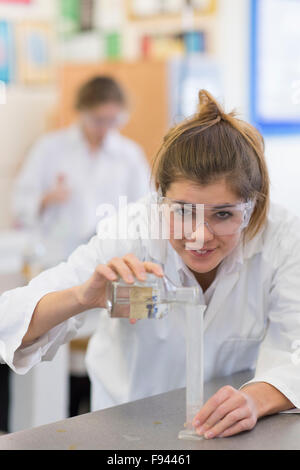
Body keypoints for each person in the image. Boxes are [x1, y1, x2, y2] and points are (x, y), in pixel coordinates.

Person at [1, 90, 300, 439]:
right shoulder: (133, 232)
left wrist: (256, 399)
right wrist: (83, 296)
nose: (200, 237)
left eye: (223, 214)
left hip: (224, 433)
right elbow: (8, 318)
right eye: (183, 211)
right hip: (124, 429)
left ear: (253, 206)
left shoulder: (281, 238)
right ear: (159, 194)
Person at [12, 76, 150, 261]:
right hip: (57, 258)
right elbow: (20, 203)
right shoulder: (49, 148)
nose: (104, 129)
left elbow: (145, 209)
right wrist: (44, 200)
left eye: (112, 120)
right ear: (82, 112)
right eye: (98, 120)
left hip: (111, 258)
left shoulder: (129, 155)